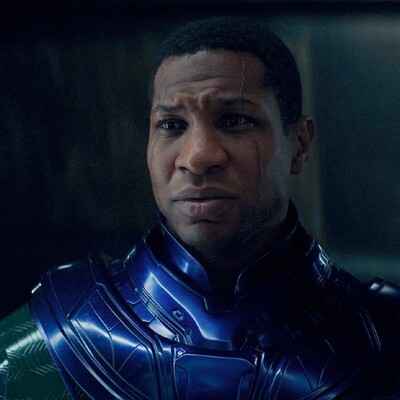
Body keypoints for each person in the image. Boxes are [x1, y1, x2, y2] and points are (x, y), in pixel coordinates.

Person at [1, 16, 399, 400]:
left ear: (299, 143)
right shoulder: (48, 343)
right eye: (172, 125)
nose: (197, 157)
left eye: (235, 120)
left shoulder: (385, 344)